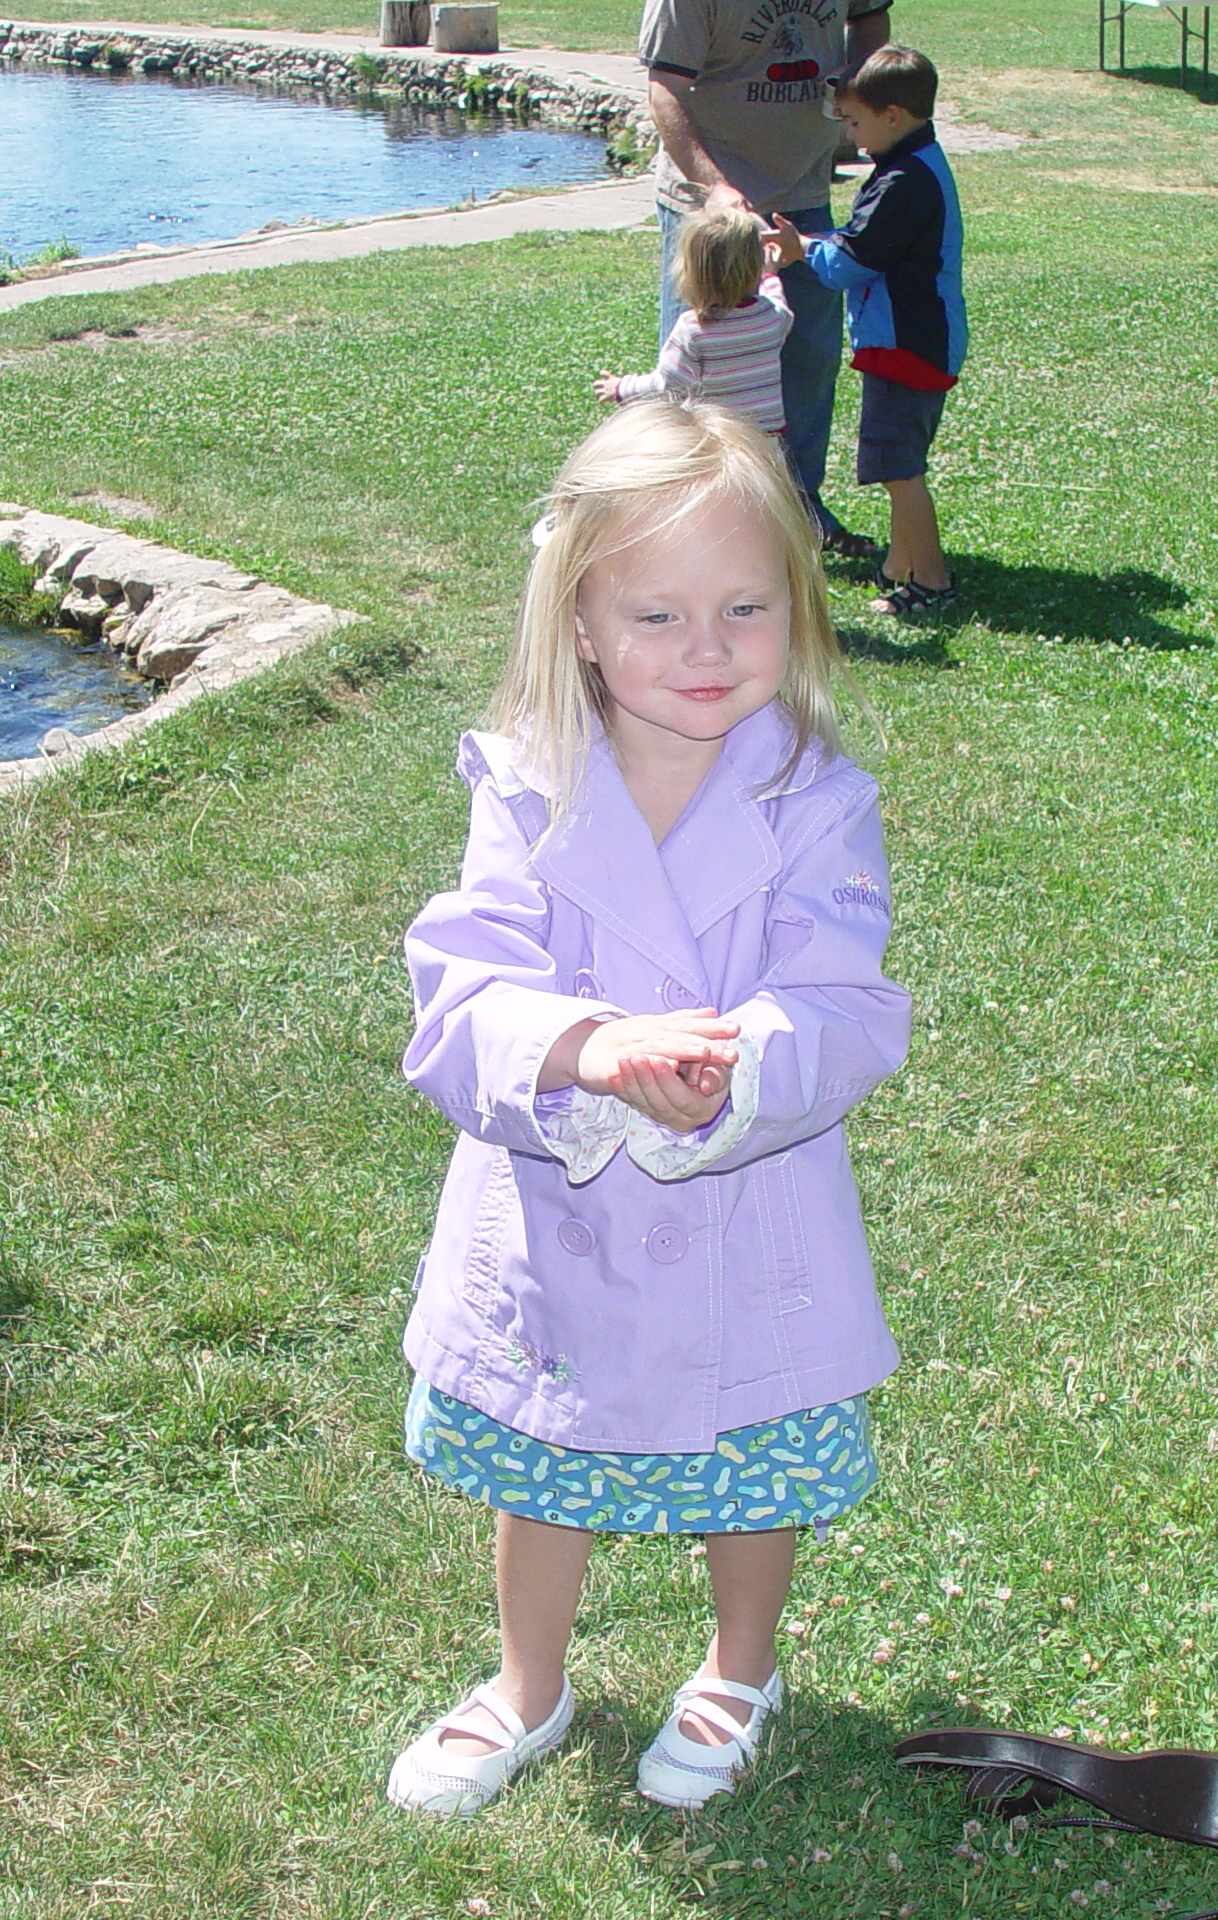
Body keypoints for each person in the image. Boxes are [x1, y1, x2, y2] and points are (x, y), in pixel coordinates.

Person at [385, 398, 911, 1818]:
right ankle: (527, 1684)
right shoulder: (525, 788)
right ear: (581, 625)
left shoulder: (817, 801)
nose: (708, 647)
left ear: (796, 613)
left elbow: (847, 1003)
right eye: (661, 613)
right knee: (544, 1456)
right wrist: (588, 1049)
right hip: (558, 1214)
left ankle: (742, 1666)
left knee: (756, 1458)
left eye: (745, 606)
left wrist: (741, 1067)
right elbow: (461, 992)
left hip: (753, 1202)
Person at [638, 0, 895, 560]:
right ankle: (683, 515)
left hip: (802, 196)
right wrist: (714, 185)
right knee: (697, 371)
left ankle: (799, 510)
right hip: (713, 213)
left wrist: (856, 83)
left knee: (808, 359)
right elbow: (665, 89)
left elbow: (869, 16)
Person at [770, 44, 964, 619]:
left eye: (855, 122)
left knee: (899, 469)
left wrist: (800, 249)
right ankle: (898, 566)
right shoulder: (914, 163)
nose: (850, 136)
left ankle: (931, 579)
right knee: (895, 462)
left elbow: (848, 264)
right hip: (916, 344)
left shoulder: (902, 182)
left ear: (892, 116)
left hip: (906, 347)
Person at [593, 205, 793, 435]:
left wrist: (620, 387)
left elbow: (667, 386)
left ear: (693, 274)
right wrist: (770, 274)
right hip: (765, 444)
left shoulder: (694, 329)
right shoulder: (770, 317)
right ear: (755, 265)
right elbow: (776, 299)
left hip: (718, 445)